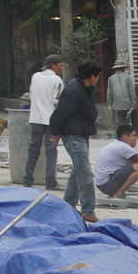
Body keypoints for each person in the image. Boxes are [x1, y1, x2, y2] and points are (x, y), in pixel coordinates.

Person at [49, 60, 103, 223]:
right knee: (85, 173)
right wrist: (56, 131)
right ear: (92, 76)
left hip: (81, 133)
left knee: (77, 171)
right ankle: (88, 210)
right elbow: (61, 113)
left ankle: (68, 206)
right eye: (97, 76)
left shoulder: (84, 89)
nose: (98, 79)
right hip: (73, 136)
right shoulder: (74, 90)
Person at [23, 55, 65, 191]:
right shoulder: (57, 80)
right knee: (51, 151)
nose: (62, 68)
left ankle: (27, 181)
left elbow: (31, 95)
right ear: (53, 65)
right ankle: (50, 183)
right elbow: (57, 101)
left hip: (36, 119)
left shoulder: (35, 76)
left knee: (33, 150)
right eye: (60, 65)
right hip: (51, 120)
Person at [95, 124, 138, 198]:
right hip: (106, 184)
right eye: (134, 136)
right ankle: (118, 193)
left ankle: (116, 192)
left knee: (134, 164)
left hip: (102, 183)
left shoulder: (116, 144)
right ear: (125, 137)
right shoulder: (122, 147)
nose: (136, 139)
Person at [107, 61, 137, 131]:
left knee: (122, 121)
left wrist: (110, 103)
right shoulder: (128, 77)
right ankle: (135, 132)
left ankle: (124, 134)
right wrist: (134, 101)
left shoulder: (111, 79)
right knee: (134, 119)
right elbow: (131, 91)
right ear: (123, 69)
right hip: (129, 103)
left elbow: (109, 92)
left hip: (118, 104)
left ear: (115, 69)